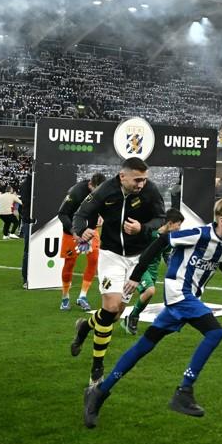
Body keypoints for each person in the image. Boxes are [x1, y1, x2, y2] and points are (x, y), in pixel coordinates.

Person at [83, 200, 222, 428]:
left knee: (143, 347)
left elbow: (221, 257)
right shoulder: (199, 234)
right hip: (179, 293)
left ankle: (99, 391)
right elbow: (162, 240)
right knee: (215, 333)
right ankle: (184, 390)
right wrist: (136, 275)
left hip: (188, 298)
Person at [69, 157, 168, 385]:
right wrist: (81, 230)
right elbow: (80, 214)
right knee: (111, 306)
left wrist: (141, 228)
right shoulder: (105, 190)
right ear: (122, 176)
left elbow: (161, 218)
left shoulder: (150, 190)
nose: (141, 184)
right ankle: (97, 368)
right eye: (137, 180)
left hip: (137, 259)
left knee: (113, 316)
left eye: (144, 179)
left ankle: (85, 327)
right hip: (111, 255)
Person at [123, 210, 186, 335]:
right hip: (140, 267)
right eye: (178, 224)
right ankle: (132, 317)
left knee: (148, 295)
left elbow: (167, 255)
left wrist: (174, 269)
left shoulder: (168, 238)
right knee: (150, 291)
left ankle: (131, 317)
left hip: (153, 270)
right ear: (169, 223)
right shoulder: (150, 233)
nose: (179, 228)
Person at [58, 174, 107, 312]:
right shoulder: (75, 192)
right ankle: (65, 297)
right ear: (90, 184)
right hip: (72, 233)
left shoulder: (102, 191)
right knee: (70, 263)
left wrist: (102, 216)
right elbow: (62, 213)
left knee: (94, 259)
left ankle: (82, 296)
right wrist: (74, 232)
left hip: (91, 231)